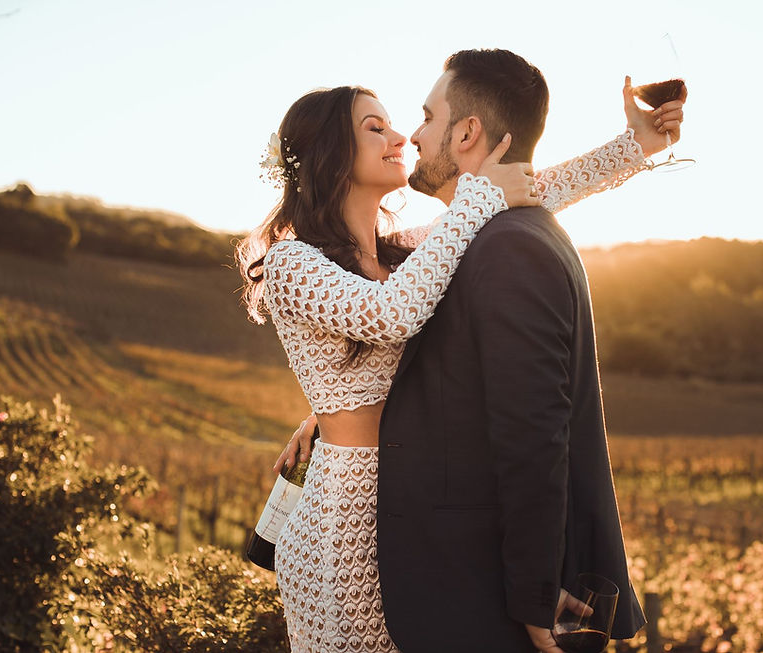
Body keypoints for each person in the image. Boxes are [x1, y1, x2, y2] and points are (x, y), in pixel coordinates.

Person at [242, 54, 684, 653]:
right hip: (342, 508)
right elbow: (390, 313)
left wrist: (636, 144)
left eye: (399, 122)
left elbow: (527, 190)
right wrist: (477, 196)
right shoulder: (294, 261)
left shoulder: (402, 253)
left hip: (408, 496)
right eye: (376, 128)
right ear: (329, 154)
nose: (401, 137)